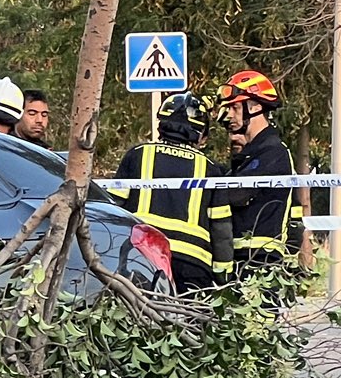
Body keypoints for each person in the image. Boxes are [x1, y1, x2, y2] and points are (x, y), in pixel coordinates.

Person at [106, 93, 232, 293]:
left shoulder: (138, 154)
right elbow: (221, 230)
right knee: (194, 322)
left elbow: (113, 208)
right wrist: (224, 276)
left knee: (138, 318)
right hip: (193, 264)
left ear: (161, 124)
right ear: (200, 135)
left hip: (142, 255)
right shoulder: (211, 169)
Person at [217, 69, 304, 279]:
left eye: (235, 107)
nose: (229, 115)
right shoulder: (252, 154)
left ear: (255, 107)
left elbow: (237, 194)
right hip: (243, 261)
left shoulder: (273, 152)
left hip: (261, 263)